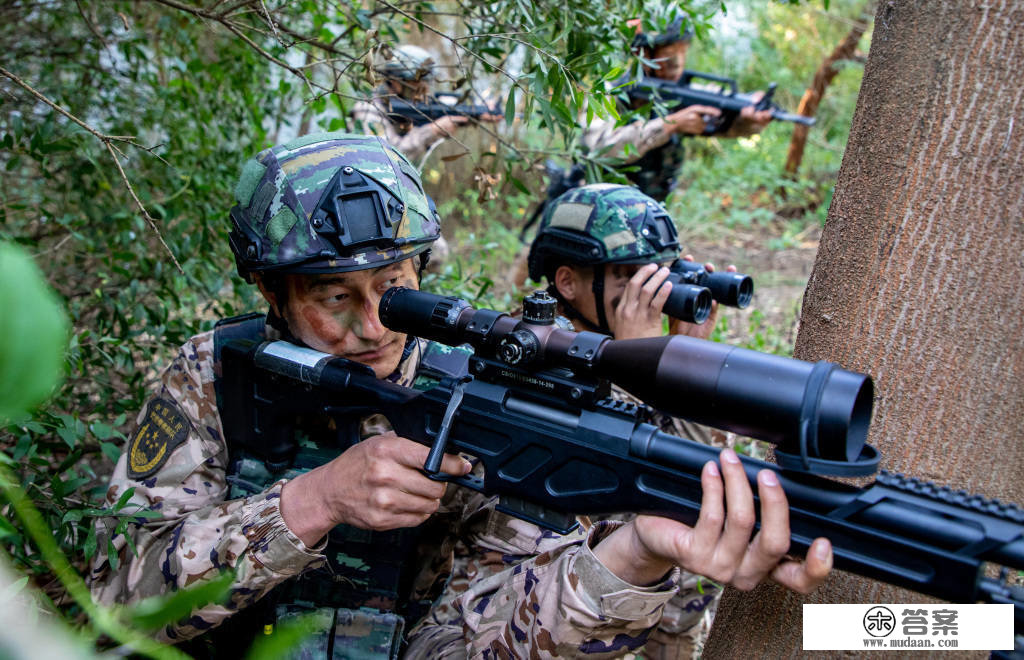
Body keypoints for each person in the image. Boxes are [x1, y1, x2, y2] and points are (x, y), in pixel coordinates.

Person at [88, 132, 833, 658]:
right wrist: (312, 503)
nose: (373, 324)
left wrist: (629, 558)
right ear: (269, 291)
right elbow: (112, 610)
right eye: (333, 296)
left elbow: (480, 638)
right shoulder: (217, 375)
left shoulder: (469, 391)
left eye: (393, 287)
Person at [526, 182, 742, 658]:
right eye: (629, 276)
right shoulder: (538, 359)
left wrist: (687, 362)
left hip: (665, 614)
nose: (653, 292)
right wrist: (638, 363)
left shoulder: (635, 349)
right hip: (565, 613)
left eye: (661, 274)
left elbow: (699, 476)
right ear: (567, 283)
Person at [582, 11, 774, 202]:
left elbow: (726, 118)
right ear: (642, 54)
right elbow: (600, 151)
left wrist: (748, 117)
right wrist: (669, 125)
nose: (678, 64)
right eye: (669, 55)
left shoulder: (681, 91)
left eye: (683, 53)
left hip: (650, 208)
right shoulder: (607, 92)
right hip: (598, 206)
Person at [352, 44, 498, 166]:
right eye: (416, 82)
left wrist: (479, 111)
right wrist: (432, 131)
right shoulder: (368, 109)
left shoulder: (413, 105)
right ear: (396, 81)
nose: (424, 88)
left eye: (426, 82)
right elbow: (384, 158)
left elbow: (446, 109)